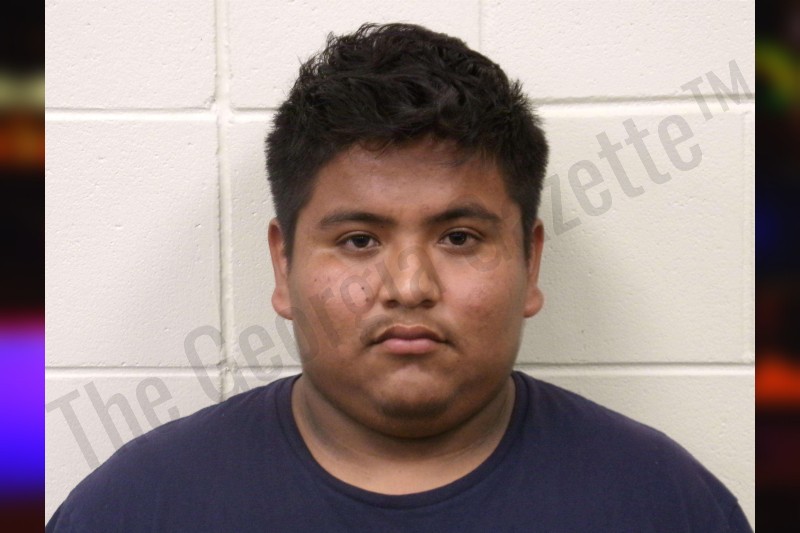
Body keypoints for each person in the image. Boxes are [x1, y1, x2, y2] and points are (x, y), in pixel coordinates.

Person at [46, 23, 752, 532]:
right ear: (283, 266)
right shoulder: (139, 507)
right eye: (358, 240)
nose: (410, 286)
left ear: (530, 262)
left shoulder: (665, 505)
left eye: (459, 238)